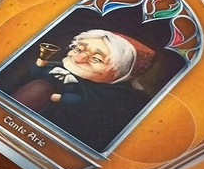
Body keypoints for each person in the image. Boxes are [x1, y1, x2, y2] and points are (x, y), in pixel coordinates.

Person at [11, 29, 156, 152]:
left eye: (97, 59)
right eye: (79, 49)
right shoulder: (54, 68)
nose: (78, 58)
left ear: (122, 73)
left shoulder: (125, 101)